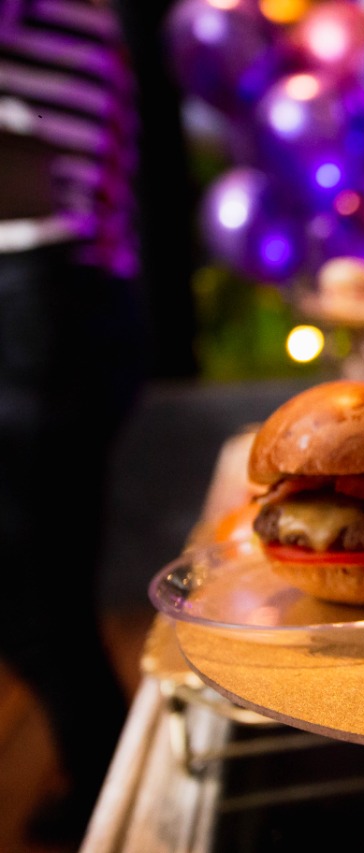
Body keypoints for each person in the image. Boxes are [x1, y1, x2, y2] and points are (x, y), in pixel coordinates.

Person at [0, 0, 144, 842]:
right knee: (46, 581)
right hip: (73, 288)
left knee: (30, 588)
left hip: (40, 290)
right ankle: (105, 776)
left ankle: (105, 790)